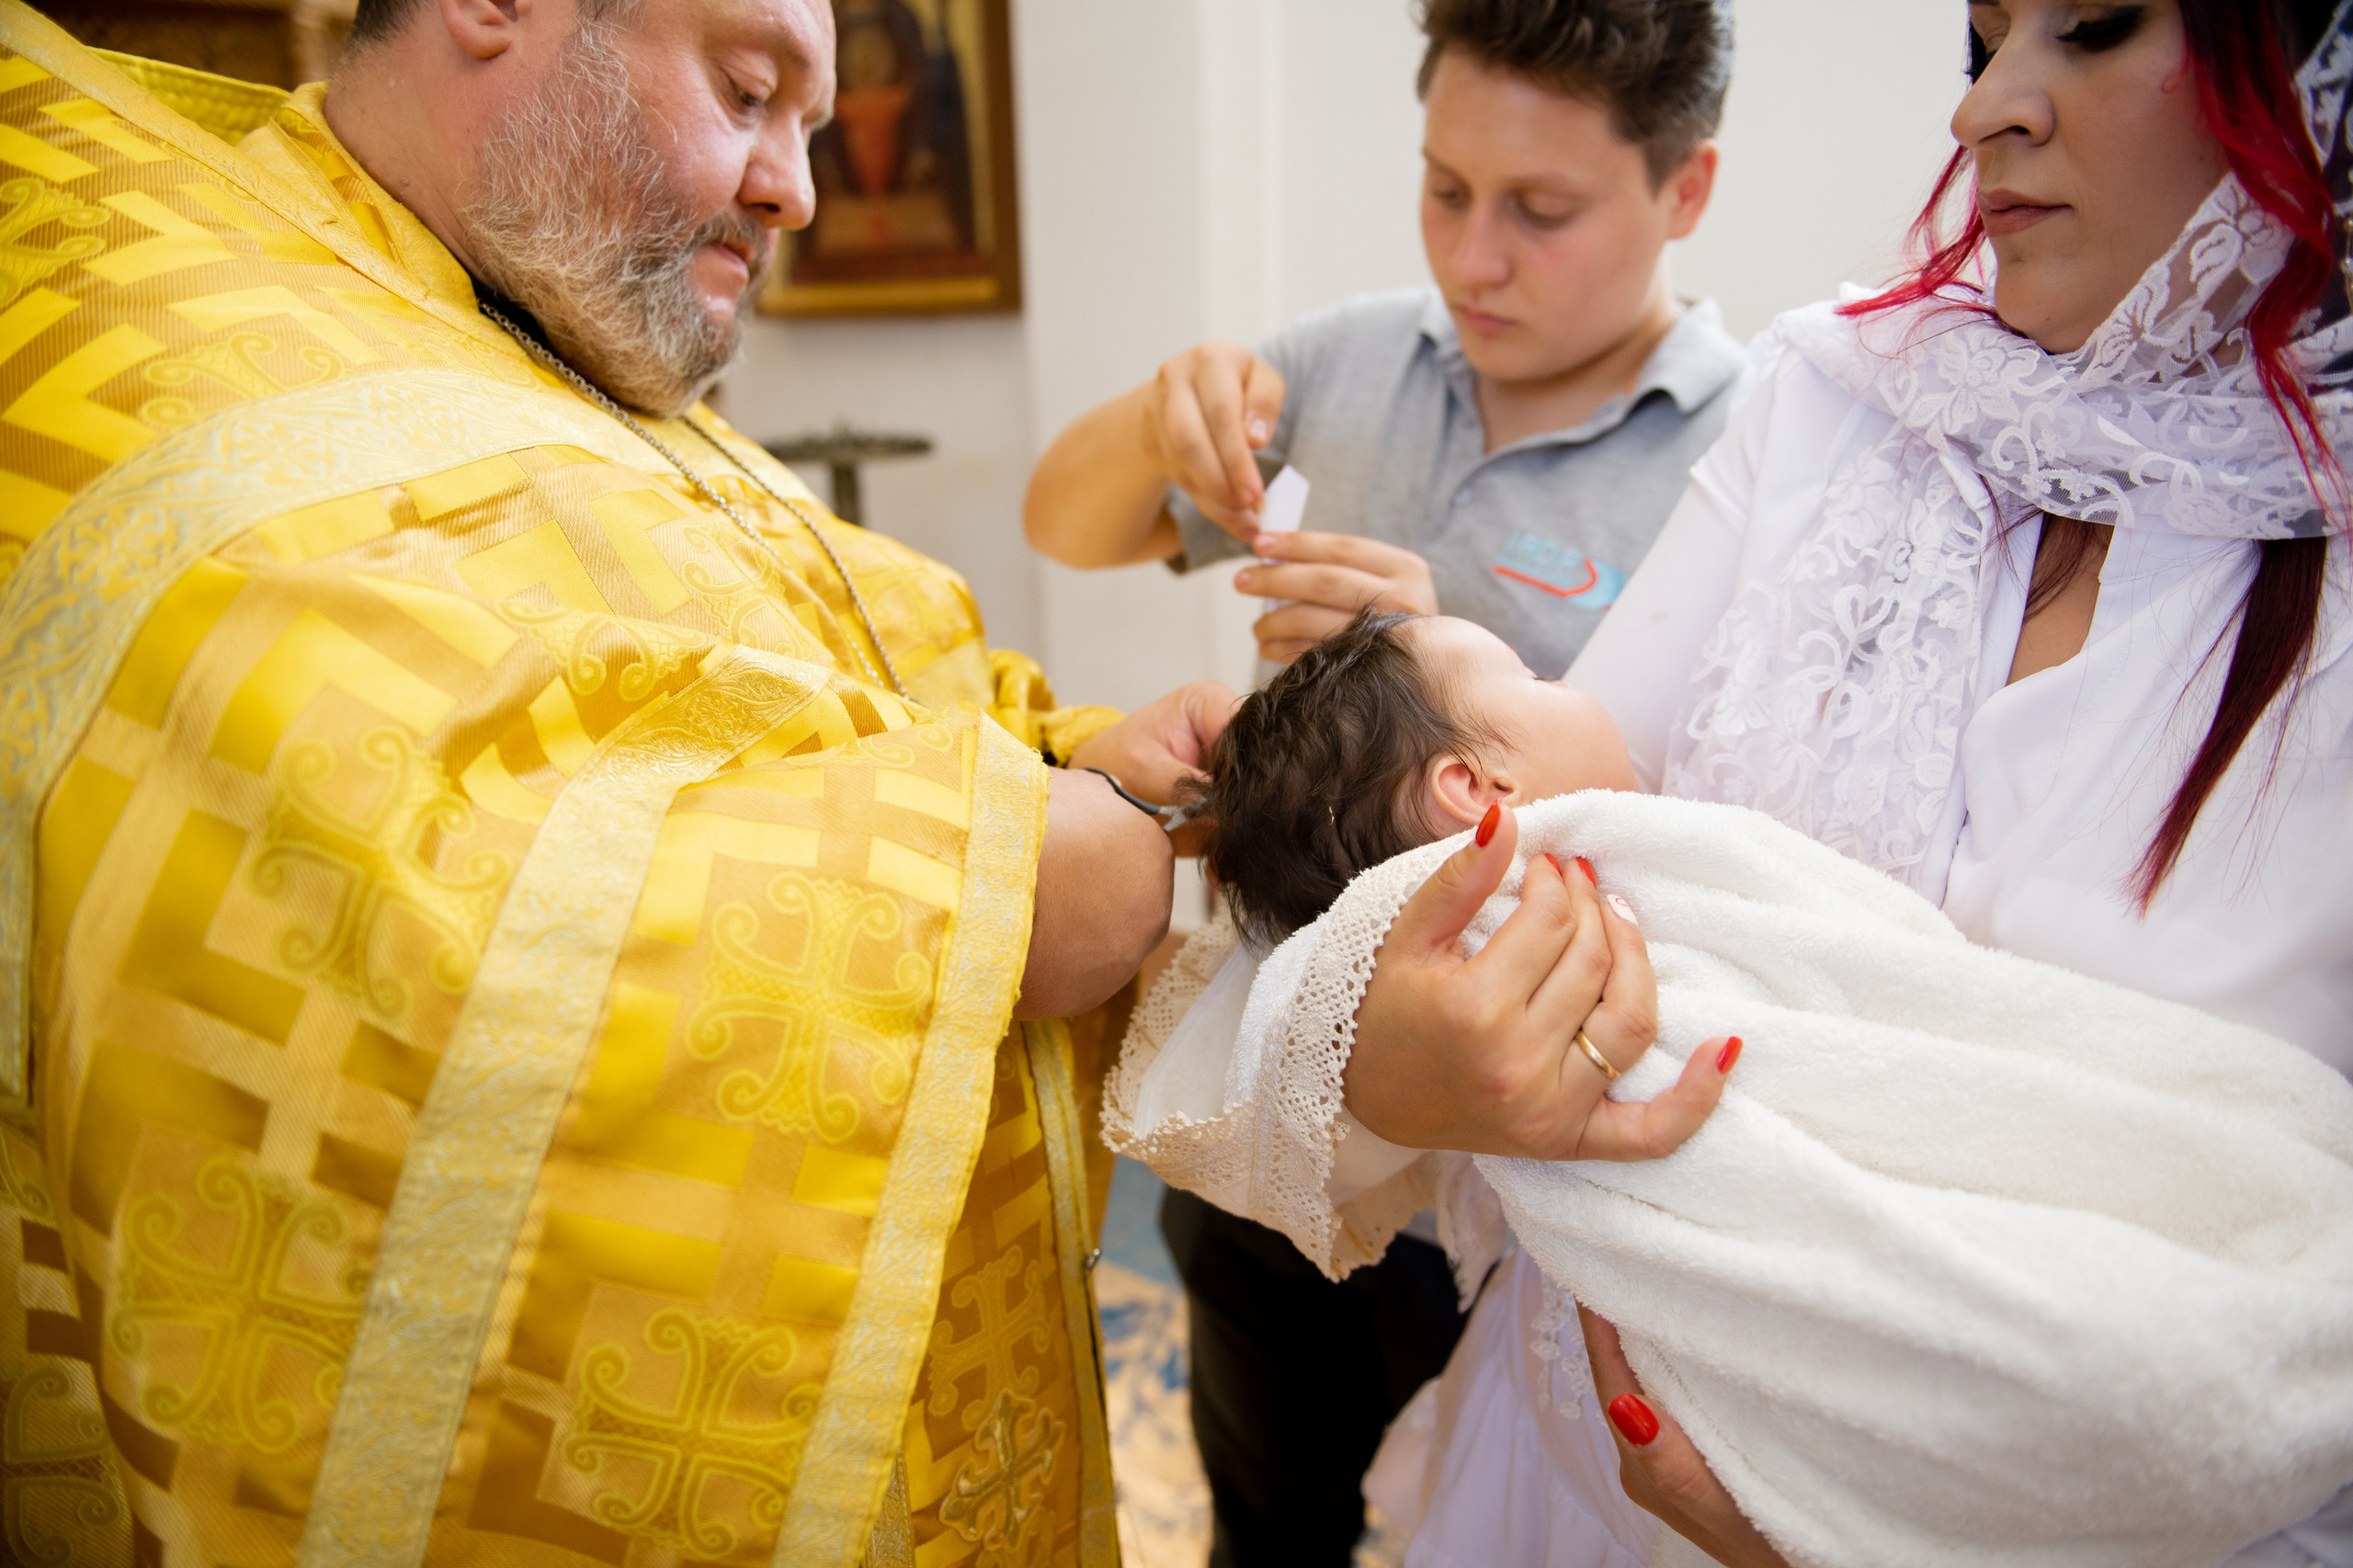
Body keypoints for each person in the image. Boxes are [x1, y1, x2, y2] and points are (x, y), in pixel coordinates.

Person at [0, 1, 1243, 1562]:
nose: (795, 185)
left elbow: (852, 647)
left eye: (811, 116)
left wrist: (1061, 760)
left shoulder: (531, 318)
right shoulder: (140, 323)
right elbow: (358, 887)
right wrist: (982, 879)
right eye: (746, 90)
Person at [1123, 0, 2353, 1562]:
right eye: (1980, 45)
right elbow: (1459, 855)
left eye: (2095, 27)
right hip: (1569, 1474)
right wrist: (1391, 1051)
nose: (1989, 115)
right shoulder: (1842, 406)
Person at [1113, 603, 2353, 1564]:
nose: (1577, 686)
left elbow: (1869, 985)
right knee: (2075, 1344)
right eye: (1537, 681)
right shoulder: (1537, 932)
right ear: (1472, 793)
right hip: (1658, 1362)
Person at [1026, 0, 1740, 1555]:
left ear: (1685, 191)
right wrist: (1159, 415)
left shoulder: (1744, 456)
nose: (1473, 260)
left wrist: (1461, 656)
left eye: (1540, 212)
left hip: (1524, 1170)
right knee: (1264, 1515)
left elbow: (1735, 816)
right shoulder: (1353, 366)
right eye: (1445, 189)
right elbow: (1061, 522)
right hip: (1285, 1104)